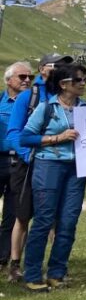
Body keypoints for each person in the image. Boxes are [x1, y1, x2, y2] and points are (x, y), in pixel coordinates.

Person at [18, 63, 86, 292]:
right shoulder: (46, 108)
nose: (83, 83)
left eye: (84, 79)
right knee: (44, 220)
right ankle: (32, 274)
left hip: (77, 169)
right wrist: (57, 138)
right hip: (48, 165)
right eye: (78, 80)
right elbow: (26, 137)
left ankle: (57, 272)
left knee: (69, 221)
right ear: (63, 84)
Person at [4, 53, 71, 282]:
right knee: (23, 215)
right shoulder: (29, 96)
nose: (59, 69)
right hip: (28, 163)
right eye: (55, 65)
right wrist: (28, 155)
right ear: (43, 69)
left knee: (52, 215)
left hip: (56, 163)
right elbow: (15, 132)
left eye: (63, 66)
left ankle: (54, 265)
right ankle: (15, 263)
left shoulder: (65, 94)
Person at [0, 61, 32, 271]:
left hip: (20, 162)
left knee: (14, 212)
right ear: (8, 80)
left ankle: (4, 259)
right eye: (22, 77)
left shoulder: (33, 104)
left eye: (29, 77)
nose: (27, 80)